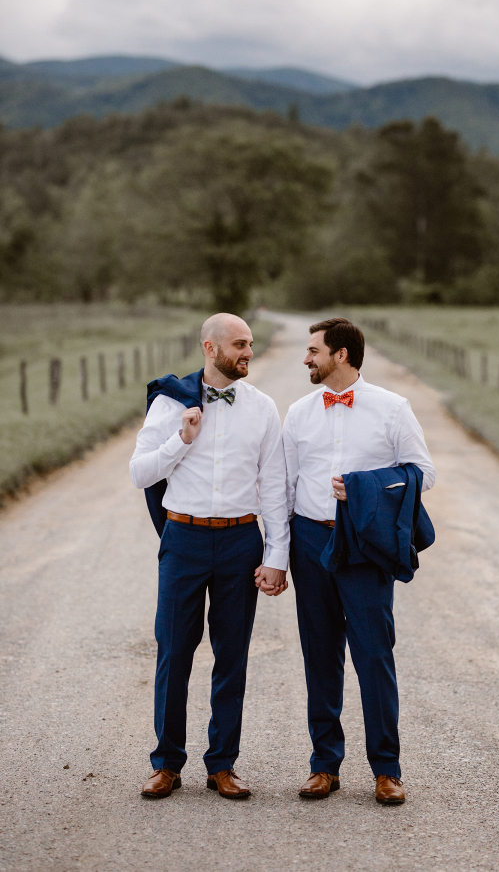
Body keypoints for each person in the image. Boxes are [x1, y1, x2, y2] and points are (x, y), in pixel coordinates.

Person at [130, 313, 288, 800]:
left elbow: (275, 485)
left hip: (242, 542)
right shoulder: (170, 403)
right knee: (174, 651)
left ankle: (222, 763)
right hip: (184, 539)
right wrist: (181, 439)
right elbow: (139, 473)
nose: (247, 353)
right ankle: (166, 763)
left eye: (251, 345)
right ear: (209, 347)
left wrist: (277, 555)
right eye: (239, 344)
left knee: (232, 656)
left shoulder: (262, 408)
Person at [282, 318, 436, 805]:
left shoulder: (393, 408)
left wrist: (369, 487)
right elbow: (282, 488)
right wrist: (278, 555)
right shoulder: (299, 412)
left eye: (313, 351)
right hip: (309, 540)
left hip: (364, 545)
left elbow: (423, 473)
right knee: (319, 653)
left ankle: (386, 769)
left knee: (373, 654)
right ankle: (324, 765)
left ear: (341, 354)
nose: (306, 359)